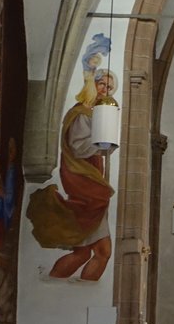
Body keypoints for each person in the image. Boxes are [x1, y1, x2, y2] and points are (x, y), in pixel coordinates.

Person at [26, 38, 117, 281]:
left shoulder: (95, 116)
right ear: (94, 84)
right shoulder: (81, 114)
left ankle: (58, 283)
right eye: (102, 84)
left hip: (91, 181)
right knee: (94, 251)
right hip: (84, 183)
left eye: (109, 88)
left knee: (91, 251)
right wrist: (100, 145)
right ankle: (55, 283)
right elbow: (77, 147)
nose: (105, 90)